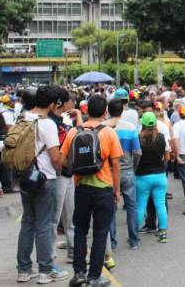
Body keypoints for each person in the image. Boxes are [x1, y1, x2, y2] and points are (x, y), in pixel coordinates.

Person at [62, 94, 122, 287]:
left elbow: (64, 161)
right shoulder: (109, 133)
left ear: (86, 110)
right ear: (105, 112)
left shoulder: (74, 132)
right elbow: (116, 165)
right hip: (103, 188)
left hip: (81, 189)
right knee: (100, 233)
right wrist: (117, 190)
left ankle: (79, 274)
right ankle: (94, 277)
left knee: (80, 230)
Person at [16, 86, 69, 284]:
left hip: (25, 177)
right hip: (45, 179)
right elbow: (55, 157)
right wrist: (57, 171)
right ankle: (46, 270)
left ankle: (24, 269)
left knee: (28, 222)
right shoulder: (47, 124)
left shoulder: (23, 117)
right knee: (44, 224)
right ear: (52, 104)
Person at [50, 88, 82, 264]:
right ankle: (50, 257)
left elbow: (79, 136)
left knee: (71, 216)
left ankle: (72, 251)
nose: (74, 104)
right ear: (62, 103)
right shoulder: (51, 123)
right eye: (72, 101)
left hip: (69, 174)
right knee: (54, 218)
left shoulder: (65, 120)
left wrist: (77, 115)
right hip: (59, 174)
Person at [104, 98, 141, 250]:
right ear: (122, 111)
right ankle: (134, 240)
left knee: (111, 208)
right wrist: (133, 167)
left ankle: (112, 243)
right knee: (131, 206)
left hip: (109, 172)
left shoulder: (104, 127)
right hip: (127, 171)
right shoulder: (131, 128)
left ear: (108, 110)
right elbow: (137, 152)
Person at [135, 112, 171, 243]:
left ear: (143, 125)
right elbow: (167, 157)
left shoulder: (138, 139)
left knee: (140, 206)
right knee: (160, 205)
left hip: (143, 177)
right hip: (160, 175)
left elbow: (136, 157)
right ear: (155, 124)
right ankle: (163, 234)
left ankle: (135, 235)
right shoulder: (162, 138)